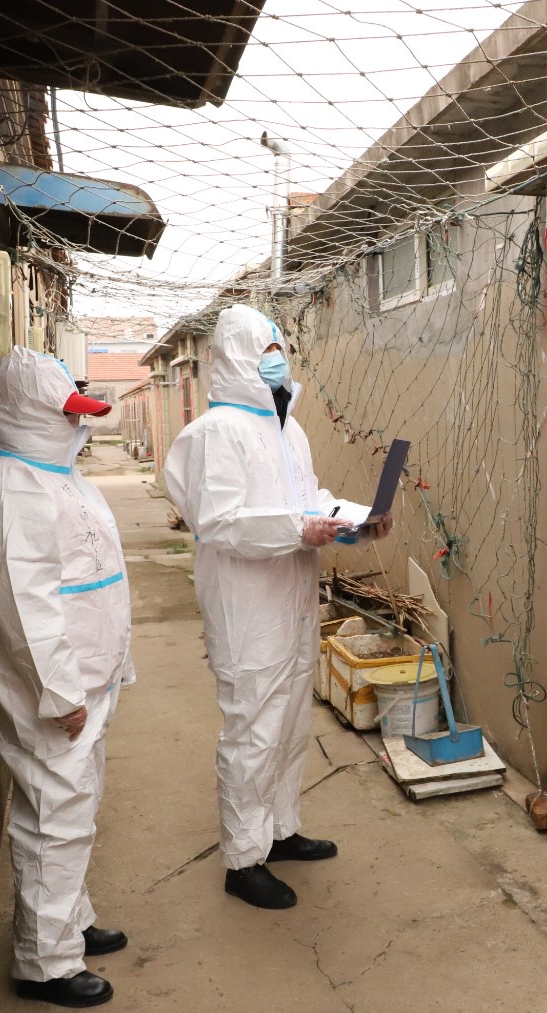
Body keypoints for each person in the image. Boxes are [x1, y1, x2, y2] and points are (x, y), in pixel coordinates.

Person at [165, 305, 388, 910]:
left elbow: (307, 500)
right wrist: (299, 528)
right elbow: (219, 522)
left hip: (293, 598)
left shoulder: (289, 429)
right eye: (264, 350)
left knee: (290, 723)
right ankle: (243, 859)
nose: (276, 360)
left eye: (279, 348)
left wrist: (354, 521)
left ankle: (281, 829)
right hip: (248, 607)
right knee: (253, 730)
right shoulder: (215, 433)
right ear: (234, 356)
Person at [0, 347, 134, 1008]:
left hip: (83, 683)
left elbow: (93, 579)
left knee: (72, 809)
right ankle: (46, 963)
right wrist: (60, 693)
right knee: (53, 819)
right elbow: (24, 608)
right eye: (67, 414)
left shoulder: (55, 477)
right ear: (26, 414)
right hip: (50, 694)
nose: (78, 425)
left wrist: (110, 668)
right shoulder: (10, 490)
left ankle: (70, 922)